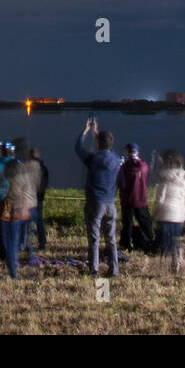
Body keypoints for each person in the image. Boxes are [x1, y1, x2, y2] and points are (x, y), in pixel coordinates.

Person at [75, 118, 122, 277]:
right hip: (111, 203)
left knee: (94, 239)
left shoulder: (93, 159)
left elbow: (78, 148)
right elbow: (110, 150)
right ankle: (114, 270)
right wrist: (97, 134)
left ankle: (94, 270)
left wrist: (86, 131)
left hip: (96, 202)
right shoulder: (116, 160)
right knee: (111, 239)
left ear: (97, 143)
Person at [151, 150, 185, 273]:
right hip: (179, 214)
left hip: (164, 214)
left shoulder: (164, 176)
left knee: (165, 241)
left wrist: (154, 211)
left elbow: (160, 197)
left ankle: (165, 265)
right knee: (176, 239)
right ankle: (178, 261)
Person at [116, 142, 154, 254]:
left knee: (127, 224)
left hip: (127, 199)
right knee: (145, 222)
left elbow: (120, 182)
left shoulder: (124, 166)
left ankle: (126, 244)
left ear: (127, 152)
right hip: (141, 199)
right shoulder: (144, 165)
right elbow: (147, 178)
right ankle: (150, 242)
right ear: (137, 152)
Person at [1, 158, 36, 279]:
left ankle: (13, 273)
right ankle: (28, 270)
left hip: (8, 212)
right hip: (21, 210)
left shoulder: (6, 181)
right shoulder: (23, 180)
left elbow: (0, 193)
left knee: (10, 244)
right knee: (21, 240)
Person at [29, 146, 49, 250]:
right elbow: (45, 183)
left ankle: (25, 243)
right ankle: (42, 242)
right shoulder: (44, 168)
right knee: (39, 221)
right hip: (39, 198)